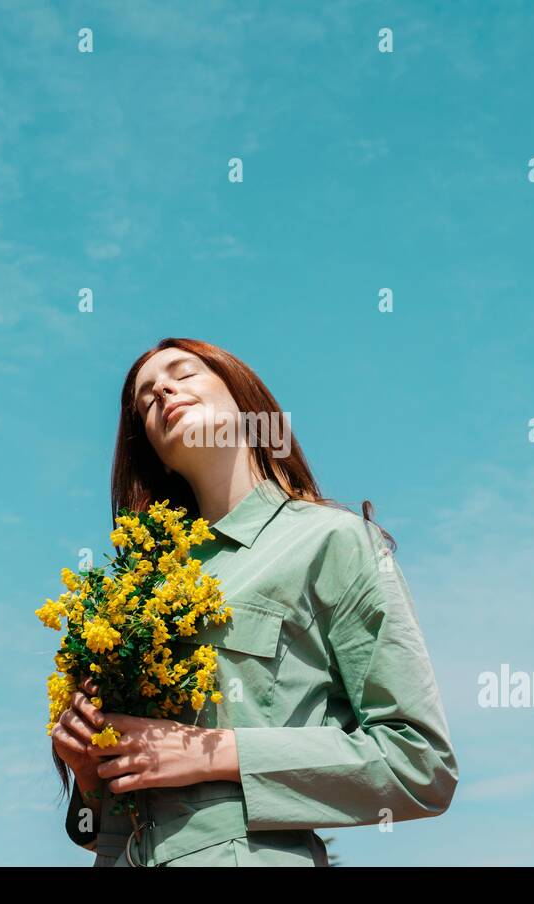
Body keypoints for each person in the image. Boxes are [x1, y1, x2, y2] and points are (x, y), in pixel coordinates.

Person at [49, 337, 458, 866]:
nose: (164, 391)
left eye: (183, 374)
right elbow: (94, 831)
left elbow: (419, 767)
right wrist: (91, 773)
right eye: (146, 400)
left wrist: (212, 754)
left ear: (247, 405)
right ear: (155, 454)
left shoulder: (332, 542)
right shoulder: (139, 591)